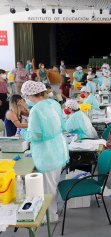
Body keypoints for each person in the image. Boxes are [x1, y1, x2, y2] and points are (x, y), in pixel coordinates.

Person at [21, 80, 69, 223]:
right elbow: (61, 124)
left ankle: (50, 217)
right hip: (58, 148)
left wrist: (24, 134)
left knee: (47, 187)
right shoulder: (53, 103)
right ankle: (51, 213)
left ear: (30, 95)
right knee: (52, 183)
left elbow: (36, 135)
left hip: (47, 152)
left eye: (27, 97)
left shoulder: (36, 109)